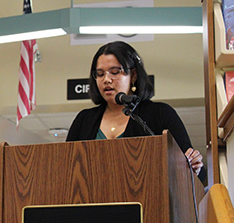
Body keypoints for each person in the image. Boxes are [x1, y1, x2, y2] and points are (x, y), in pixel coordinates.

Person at [66, 41, 204, 177]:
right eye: (100, 74)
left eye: (115, 72)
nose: (106, 79)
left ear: (134, 75)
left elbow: (192, 169)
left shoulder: (160, 114)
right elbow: (66, 168)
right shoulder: (84, 120)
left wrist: (193, 166)